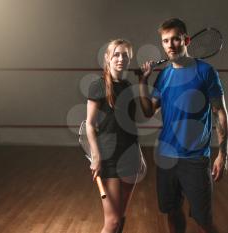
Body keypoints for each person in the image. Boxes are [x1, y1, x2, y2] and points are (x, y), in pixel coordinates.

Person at [137, 18, 228, 233]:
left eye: (175, 39)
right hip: (166, 157)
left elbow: (220, 113)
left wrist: (223, 154)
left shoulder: (206, 72)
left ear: (186, 40)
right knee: (172, 211)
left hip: (195, 159)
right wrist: (143, 82)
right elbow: (149, 111)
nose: (170, 45)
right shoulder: (164, 76)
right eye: (165, 41)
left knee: (204, 221)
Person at [86, 39, 141, 233]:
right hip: (109, 158)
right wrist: (96, 156)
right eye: (116, 54)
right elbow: (90, 126)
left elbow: (130, 126)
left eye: (125, 55)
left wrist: (140, 154)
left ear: (129, 59)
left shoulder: (128, 86)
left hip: (130, 156)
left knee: (121, 217)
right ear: (107, 58)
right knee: (112, 222)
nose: (120, 58)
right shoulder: (98, 86)